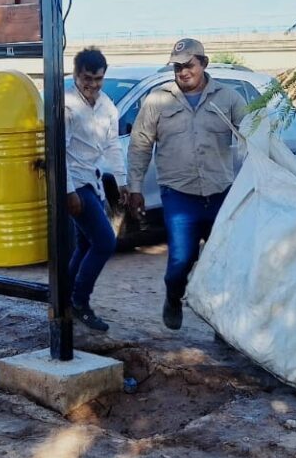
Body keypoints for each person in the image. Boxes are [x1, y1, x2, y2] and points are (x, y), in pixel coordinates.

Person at [127, 38, 248, 330]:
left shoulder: (229, 99)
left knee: (223, 262)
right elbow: (140, 144)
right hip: (179, 195)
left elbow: (252, 137)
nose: (183, 72)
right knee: (181, 260)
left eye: (188, 65)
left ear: (203, 63)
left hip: (220, 194)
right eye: (177, 67)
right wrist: (135, 187)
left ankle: (222, 323)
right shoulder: (157, 100)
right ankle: (173, 297)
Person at [65, 47, 124, 332]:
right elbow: (57, 151)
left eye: (98, 79)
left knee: (87, 244)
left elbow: (112, 145)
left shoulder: (107, 106)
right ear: (76, 75)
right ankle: (80, 301)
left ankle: (65, 298)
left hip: (93, 180)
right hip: (75, 183)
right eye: (87, 78)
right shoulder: (66, 106)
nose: (92, 84)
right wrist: (68, 191)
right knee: (104, 242)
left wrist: (123, 181)